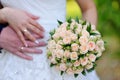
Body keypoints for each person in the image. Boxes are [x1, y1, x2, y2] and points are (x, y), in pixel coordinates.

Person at [0, 0, 99, 80]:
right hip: (14, 58)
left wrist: (83, 40)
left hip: (64, 55)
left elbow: (88, 8)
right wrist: (4, 14)